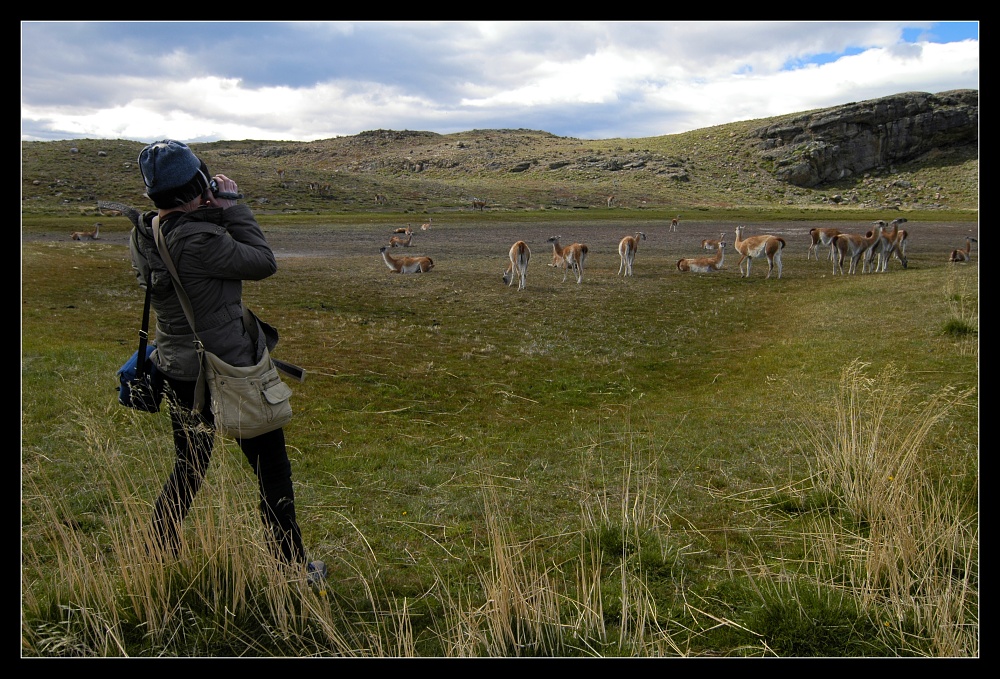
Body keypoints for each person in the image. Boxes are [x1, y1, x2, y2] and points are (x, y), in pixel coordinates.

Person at [128, 139, 325, 586]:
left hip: (176, 368)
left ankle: (157, 547)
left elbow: (186, 249)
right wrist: (232, 206)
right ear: (197, 182)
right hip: (230, 372)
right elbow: (262, 261)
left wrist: (206, 209)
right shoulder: (203, 240)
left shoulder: (144, 234)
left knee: (189, 466)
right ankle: (292, 571)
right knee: (271, 470)